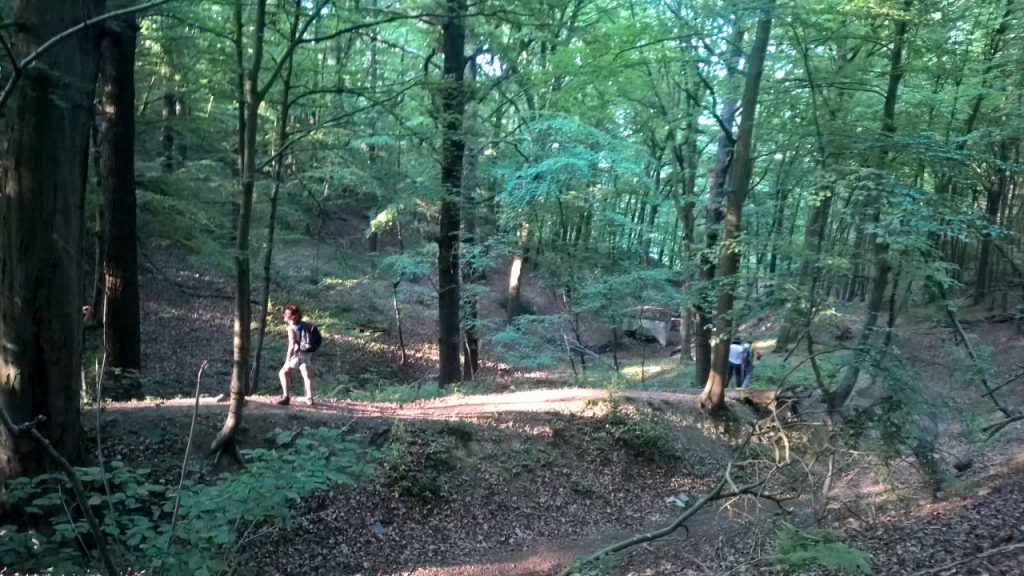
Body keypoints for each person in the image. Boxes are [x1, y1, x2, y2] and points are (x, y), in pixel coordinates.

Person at [277, 304, 314, 405]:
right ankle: (309, 397)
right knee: (306, 374)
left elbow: (292, 344)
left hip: (297, 354)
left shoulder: (291, 328)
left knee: (283, 373)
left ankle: (286, 397)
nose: (284, 315)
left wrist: (287, 360)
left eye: (286, 313)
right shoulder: (304, 324)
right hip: (306, 352)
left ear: (291, 316)